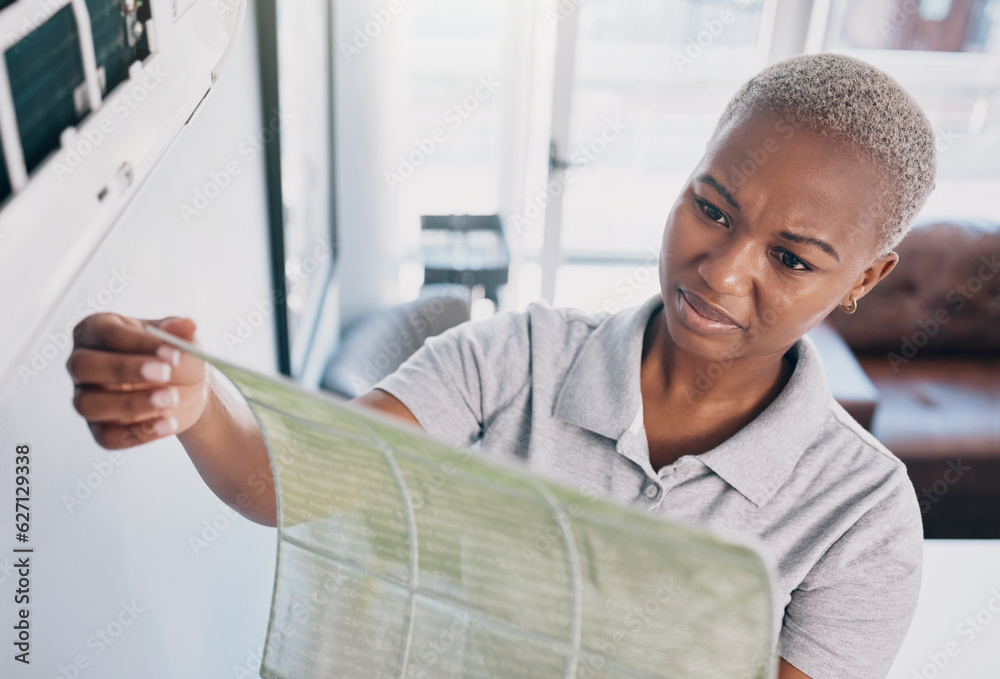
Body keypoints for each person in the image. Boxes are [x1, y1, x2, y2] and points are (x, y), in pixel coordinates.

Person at [66, 53, 936, 679]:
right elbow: (287, 483)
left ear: (865, 276)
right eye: (710, 207)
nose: (722, 269)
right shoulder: (516, 357)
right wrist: (194, 398)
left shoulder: (865, 517)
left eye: (791, 260)